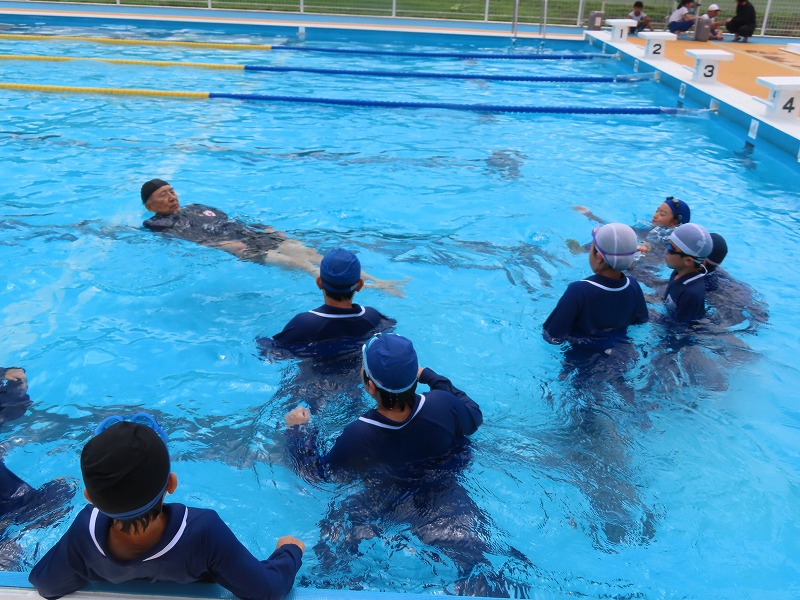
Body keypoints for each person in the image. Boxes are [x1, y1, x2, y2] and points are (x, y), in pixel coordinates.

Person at [29, 414, 304, 600]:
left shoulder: (85, 531)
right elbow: (266, 590)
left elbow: (47, 584)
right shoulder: (203, 531)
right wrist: (289, 551)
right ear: (171, 483)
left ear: (89, 497)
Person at [140, 179, 405, 297]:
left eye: (171, 191)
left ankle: (379, 281)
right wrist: (225, 245)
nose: (171, 197)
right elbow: (189, 238)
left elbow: (234, 219)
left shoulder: (196, 207)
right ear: (150, 206)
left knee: (309, 253)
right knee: (298, 264)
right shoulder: (157, 224)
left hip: (249, 234)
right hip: (239, 247)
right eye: (163, 195)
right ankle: (367, 288)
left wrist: (267, 228)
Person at [258, 248, 396, 359]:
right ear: (360, 285)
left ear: (319, 282)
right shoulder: (373, 317)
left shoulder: (303, 323)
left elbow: (271, 352)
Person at [1, 367, 75, 570]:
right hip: (16, 505)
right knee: (65, 489)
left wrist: (12, 383)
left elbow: (14, 408)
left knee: (64, 489)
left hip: (14, 503)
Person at [543, 223, 648, 347]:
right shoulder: (633, 285)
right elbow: (641, 321)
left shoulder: (578, 290)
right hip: (623, 350)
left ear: (598, 256)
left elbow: (552, 335)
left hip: (582, 356)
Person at [663, 223, 713, 322]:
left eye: (671, 249)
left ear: (688, 261)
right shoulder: (678, 272)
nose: (666, 251)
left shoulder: (691, 294)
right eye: (668, 244)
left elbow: (681, 327)